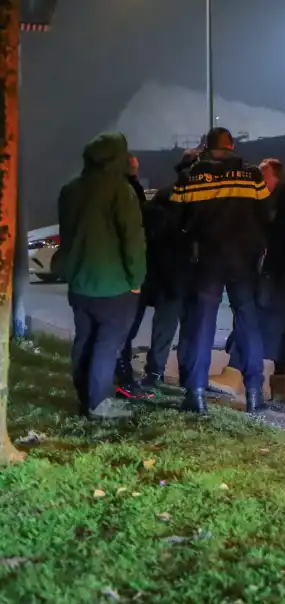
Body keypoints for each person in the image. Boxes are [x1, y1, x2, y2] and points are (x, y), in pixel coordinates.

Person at [172, 127, 272, 414]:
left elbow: (177, 220)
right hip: (244, 260)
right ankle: (254, 394)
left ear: (206, 147)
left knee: (202, 324)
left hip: (207, 260)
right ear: (232, 146)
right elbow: (266, 216)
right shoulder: (251, 175)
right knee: (248, 322)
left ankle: (196, 394)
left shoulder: (191, 177)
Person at [57, 132, 146, 420]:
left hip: (80, 282)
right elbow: (132, 239)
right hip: (114, 285)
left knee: (84, 339)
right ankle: (99, 403)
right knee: (108, 344)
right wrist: (136, 279)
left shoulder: (70, 190)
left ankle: (85, 398)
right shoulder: (120, 190)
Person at [215, 159, 285, 402]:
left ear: (276, 177)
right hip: (281, 277)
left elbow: (282, 241)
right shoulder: (282, 201)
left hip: (277, 276)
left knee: (254, 322)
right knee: (272, 328)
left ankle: (237, 375)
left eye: (263, 175)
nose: (258, 179)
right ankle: (272, 384)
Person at [138, 149, 201, 390]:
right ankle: (186, 376)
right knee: (191, 328)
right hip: (192, 272)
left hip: (169, 272)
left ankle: (155, 373)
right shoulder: (204, 197)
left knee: (165, 326)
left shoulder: (165, 195)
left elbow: (151, 233)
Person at [113, 154, 156, 400]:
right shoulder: (130, 194)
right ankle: (124, 382)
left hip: (109, 273)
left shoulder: (101, 192)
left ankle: (117, 379)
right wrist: (137, 277)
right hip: (128, 276)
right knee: (125, 331)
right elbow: (135, 238)